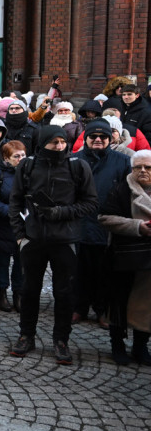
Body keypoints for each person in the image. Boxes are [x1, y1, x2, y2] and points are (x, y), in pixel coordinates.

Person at [9, 126, 98, 365]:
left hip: (65, 240)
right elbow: (15, 201)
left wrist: (61, 212)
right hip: (34, 239)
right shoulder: (27, 166)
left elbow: (90, 202)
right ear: (43, 143)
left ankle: (61, 340)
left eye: (62, 142)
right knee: (29, 290)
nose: (59, 146)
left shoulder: (78, 166)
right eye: (54, 142)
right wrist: (20, 236)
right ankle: (26, 335)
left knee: (64, 293)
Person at [72, 119, 130, 326]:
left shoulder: (122, 161)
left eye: (103, 137)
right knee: (79, 269)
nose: (98, 140)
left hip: (107, 224)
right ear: (86, 138)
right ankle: (79, 307)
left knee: (105, 271)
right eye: (93, 136)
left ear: (110, 138)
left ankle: (102, 309)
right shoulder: (74, 159)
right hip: (80, 223)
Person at [98, 150, 151, 365]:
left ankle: (140, 347)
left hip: (149, 263)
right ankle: (117, 345)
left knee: (146, 306)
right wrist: (138, 227)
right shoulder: (121, 189)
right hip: (124, 256)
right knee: (119, 302)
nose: (143, 171)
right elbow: (105, 217)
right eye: (138, 167)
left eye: (147, 167)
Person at [0, 141, 27, 312]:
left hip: (24, 225)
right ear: (7, 158)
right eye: (16, 156)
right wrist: (11, 212)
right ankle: (2, 292)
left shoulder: (28, 172)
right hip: (3, 224)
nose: (20, 159)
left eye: (22, 155)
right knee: (2, 260)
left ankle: (19, 293)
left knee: (21, 260)